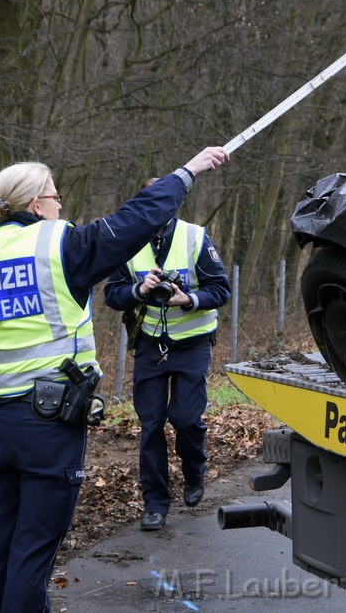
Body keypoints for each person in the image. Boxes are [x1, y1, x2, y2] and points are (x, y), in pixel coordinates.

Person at [0, 147, 228, 613]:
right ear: (37, 204)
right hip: (49, 426)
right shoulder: (59, 246)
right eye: (55, 197)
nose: (61, 206)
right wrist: (189, 171)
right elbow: (137, 218)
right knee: (32, 555)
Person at [103, 190, 231, 532]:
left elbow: (221, 289)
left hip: (192, 345)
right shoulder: (128, 242)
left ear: (173, 206)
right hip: (149, 346)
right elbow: (112, 296)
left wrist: (188, 298)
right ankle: (156, 504)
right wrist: (139, 291)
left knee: (186, 419)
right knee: (151, 426)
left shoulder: (194, 237)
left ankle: (194, 474)